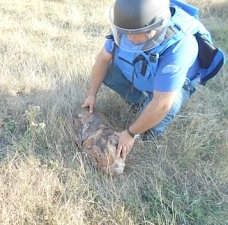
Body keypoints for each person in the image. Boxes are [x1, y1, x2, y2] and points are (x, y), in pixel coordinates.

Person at [82, 0, 201, 161]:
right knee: (108, 73)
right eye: (124, 32)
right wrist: (92, 95)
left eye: (134, 33)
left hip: (170, 86)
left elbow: (163, 102)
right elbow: (102, 60)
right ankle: (140, 104)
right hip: (145, 71)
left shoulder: (179, 46)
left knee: (169, 105)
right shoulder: (127, 27)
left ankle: (149, 132)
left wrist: (131, 133)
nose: (128, 38)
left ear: (154, 28)